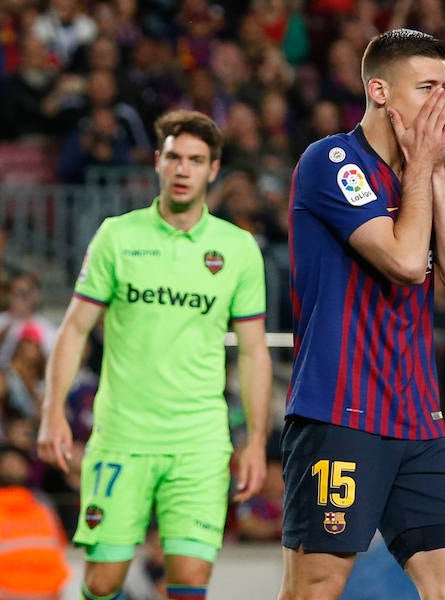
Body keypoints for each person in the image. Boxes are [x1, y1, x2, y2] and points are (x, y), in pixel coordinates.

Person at [280, 28, 445, 600]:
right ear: (379, 91)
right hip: (341, 412)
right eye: (427, 88)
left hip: (418, 419)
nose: (444, 101)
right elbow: (401, 260)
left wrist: (436, 171)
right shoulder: (333, 161)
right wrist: (421, 168)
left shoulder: (423, 174)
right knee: (315, 588)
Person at [36, 109, 272, 600]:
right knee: (102, 581)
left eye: (196, 160)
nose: (183, 169)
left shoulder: (238, 248)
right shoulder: (117, 236)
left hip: (200, 441)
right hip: (122, 436)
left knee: (188, 580)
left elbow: (252, 353)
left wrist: (255, 441)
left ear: (213, 169)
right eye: (174, 157)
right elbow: (75, 328)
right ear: (158, 164)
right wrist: (52, 413)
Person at [0, 444, 70, 599]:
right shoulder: (43, 506)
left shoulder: (43, 506)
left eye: (17, 463)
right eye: (8, 464)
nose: (13, 468)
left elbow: (57, 552)